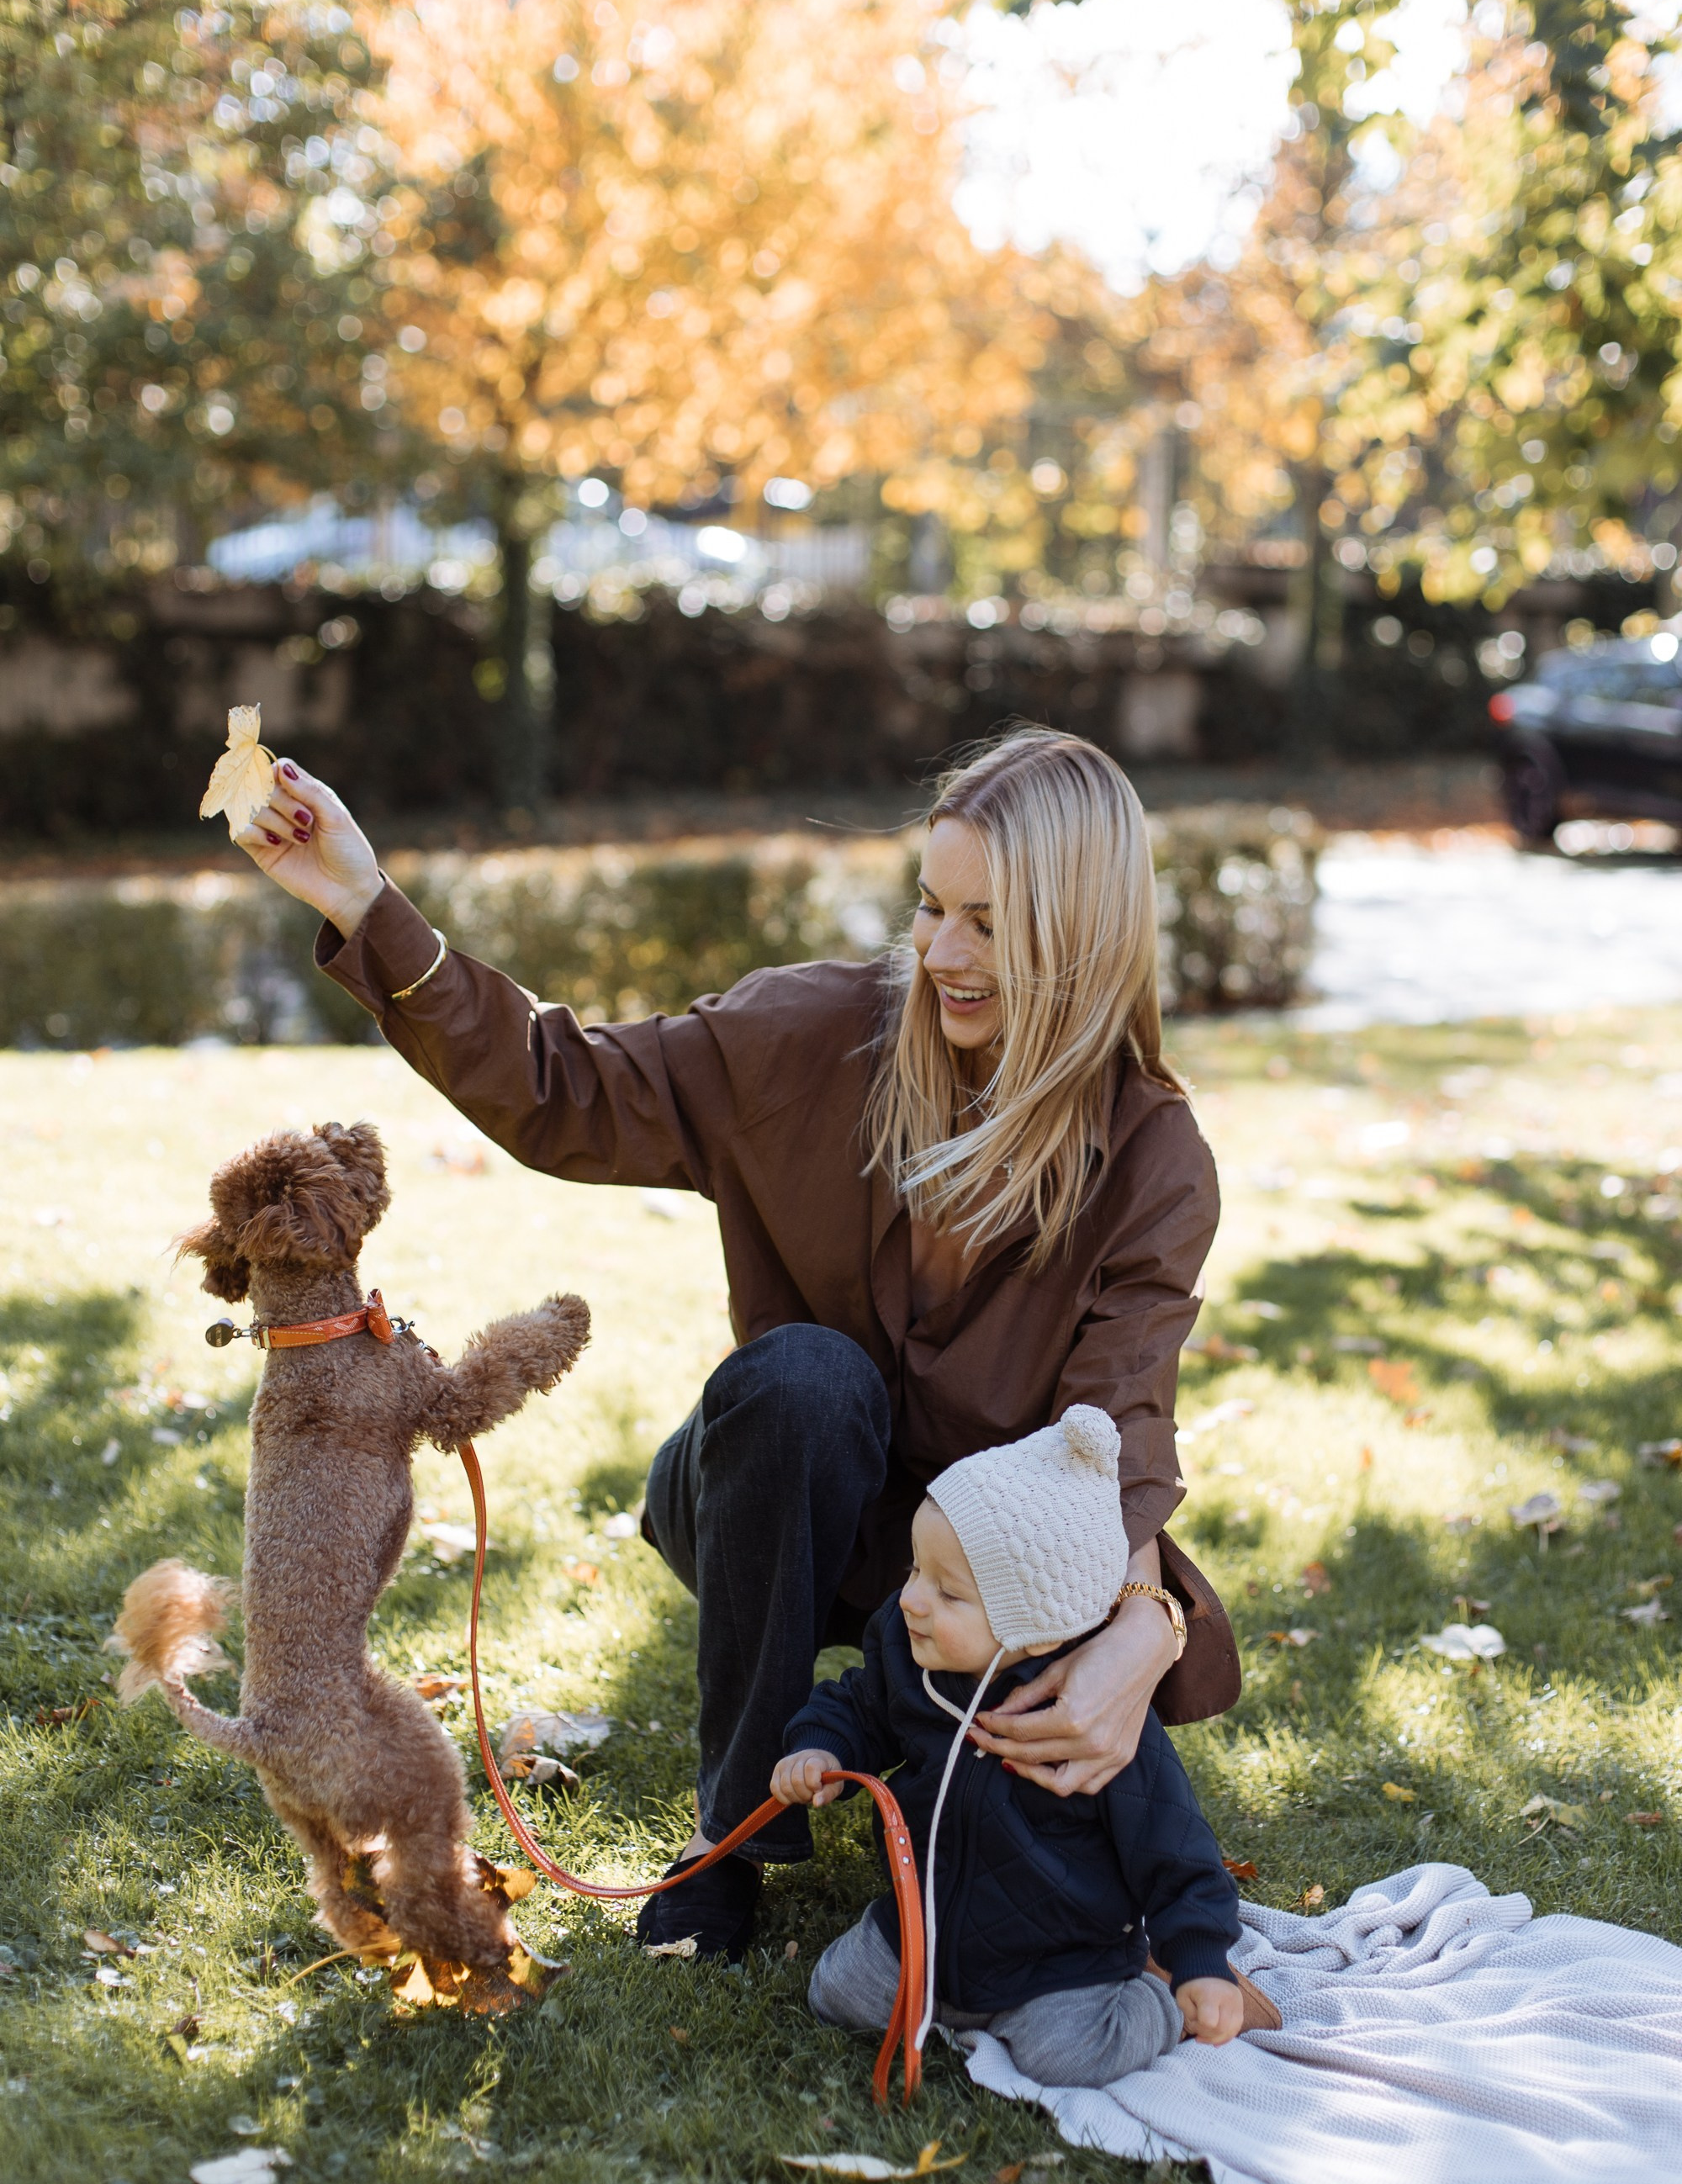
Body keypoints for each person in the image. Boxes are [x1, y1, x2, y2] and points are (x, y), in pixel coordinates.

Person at [233, 727, 1233, 1959]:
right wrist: (363, 900)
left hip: (974, 1575)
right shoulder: (814, 1035)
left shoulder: (1153, 1159)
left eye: (991, 923)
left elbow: (1113, 1425)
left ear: (1081, 936)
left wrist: (1144, 1618)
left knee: (1026, 1852)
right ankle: (731, 1835)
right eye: (931, 908)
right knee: (806, 1378)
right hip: (767, 1489)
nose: (942, 953)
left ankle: (903, 1731)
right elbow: (566, 1090)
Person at [775, 1407, 1255, 2089]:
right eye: (915, 1569)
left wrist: (1201, 1960)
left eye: (947, 1591)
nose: (911, 1600)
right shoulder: (912, 1659)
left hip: (1055, 1964)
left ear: (1034, 1630)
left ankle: (1151, 1998)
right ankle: (945, 1999)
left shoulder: (1094, 1722)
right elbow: (858, 1705)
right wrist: (821, 1749)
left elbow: (1175, 1845)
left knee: (1067, 2057)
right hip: (923, 1932)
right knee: (837, 1992)